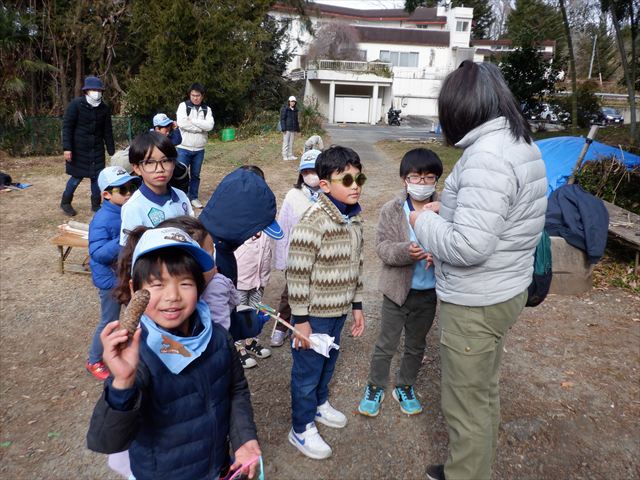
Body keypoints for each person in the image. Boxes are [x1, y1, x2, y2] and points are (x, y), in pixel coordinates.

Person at [409, 61, 547, 480]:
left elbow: (469, 245)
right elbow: (497, 218)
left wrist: (423, 221)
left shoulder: (486, 157)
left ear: (462, 109)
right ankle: (471, 464)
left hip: (476, 300)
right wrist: (445, 208)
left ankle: (465, 473)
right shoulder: (518, 142)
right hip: (506, 289)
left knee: (464, 402)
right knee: (483, 390)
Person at [86, 226, 261, 480]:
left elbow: (235, 390)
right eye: (157, 285)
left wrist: (244, 438)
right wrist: (122, 383)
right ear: (136, 290)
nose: (173, 296)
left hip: (217, 467)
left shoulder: (217, 338)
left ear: (199, 286)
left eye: (185, 283)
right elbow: (107, 441)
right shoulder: (140, 355)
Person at [286, 146, 366, 460]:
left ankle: (319, 405)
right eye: (345, 179)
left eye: (358, 177)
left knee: (327, 364)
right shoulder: (314, 221)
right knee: (306, 373)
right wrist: (301, 319)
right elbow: (297, 272)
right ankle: (301, 428)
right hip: (314, 317)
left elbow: (358, 265)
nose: (355, 184)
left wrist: (357, 305)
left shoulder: (355, 219)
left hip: (339, 312)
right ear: (324, 185)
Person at [357, 148, 442, 418]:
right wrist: (406, 252)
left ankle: (405, 386)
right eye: (416, 177)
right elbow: (381, 247)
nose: (422, 183)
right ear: (404, 179)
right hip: (396, 292)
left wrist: (437, 255)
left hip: (427, 293)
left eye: (429, 177)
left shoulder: (445, 209)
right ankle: (375, 386)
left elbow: (456, 245)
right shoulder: (392, 210)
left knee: (416, 344)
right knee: (387, 343)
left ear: (436, 180)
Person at [86, 166, 141, 381]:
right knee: (110, 321)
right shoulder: (101, 220)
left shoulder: (128, 210)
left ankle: (134, 351)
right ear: (106, 194)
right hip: (110, 281)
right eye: (122, 190)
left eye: (131, 187)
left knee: (138, 314)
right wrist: (123, 240)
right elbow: (97, 253)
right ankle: (94, 359)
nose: (129, 193)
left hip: (127, 276)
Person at [199, 166, 283, 287]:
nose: (257, 235)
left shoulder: (224, 249)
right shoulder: (205, 257)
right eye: (253, 230)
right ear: (238, 223)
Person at [271, 149, 322, 347]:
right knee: (290, 293)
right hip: (296, 257)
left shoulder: (329, 195)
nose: (311, 175)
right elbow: (283, 227)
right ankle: (281, 326)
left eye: (315, 170)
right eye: (306, 171)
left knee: (316, 293)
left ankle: (312, 327)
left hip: (319, 257)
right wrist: (282, 260)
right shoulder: (293, 195)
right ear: (301, 174)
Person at [119, 132, 193, 246]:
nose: (160, 169)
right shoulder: (134, 207)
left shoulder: (181, 197)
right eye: (149, 162)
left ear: (173, 163)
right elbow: (128, 252)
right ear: (137, 168)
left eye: (166, 161)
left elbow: (193, 234)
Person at [61, 75, 115, 216]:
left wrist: (111, 148)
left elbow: (107, 130)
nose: (96, 92)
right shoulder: (76, 105)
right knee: (76, 178)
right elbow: (67, 127)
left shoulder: (104, 108)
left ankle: (96, 205)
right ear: (86, 91)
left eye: (98, 90)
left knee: (97, 179)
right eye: (92, 89)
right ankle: (65, 202)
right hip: (78, 149)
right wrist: (67, 148)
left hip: (96, 149)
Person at [234, 230, 273, 366]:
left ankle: (251, 341)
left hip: (259, 277)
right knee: (239, 312)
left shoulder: (266, 224)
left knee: (254, 310)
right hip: (240, 277)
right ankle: (237, 347)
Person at [176, 83, 214, 209]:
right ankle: (180, 197)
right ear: (189, 95)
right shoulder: (183, 106)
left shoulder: (206, 109)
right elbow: (182, 123)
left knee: (196, 175)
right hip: (183, 147)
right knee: (181, 174)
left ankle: (193, 197)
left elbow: (210, 126)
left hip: (199, 149)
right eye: (193, 95)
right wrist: (200, 128)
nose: (195, 98)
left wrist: (192, 121)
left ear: (202, 96)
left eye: (198, 95)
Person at [151, 113, 189, 194]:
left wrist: (176, 129)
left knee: (182, 172)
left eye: (169, 130)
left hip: (168, 166)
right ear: (157, 129)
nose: (168, 133)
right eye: (166, 130)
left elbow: (177, 140)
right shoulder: (150, 139)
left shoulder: (165, 137)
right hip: (156, 168)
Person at [280, 95, 300, 161]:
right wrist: (283, 128)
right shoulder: (285, 109)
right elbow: (282, 119)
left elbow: (296, 120)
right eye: (291, 101)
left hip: (293, 129)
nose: (293, 103)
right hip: (287, 129)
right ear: (289, 102)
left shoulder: (295, 110)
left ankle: (290, 155)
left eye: (294, 101)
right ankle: (285, 156)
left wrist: (298, 129)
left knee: (291, 142)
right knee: (286, 142)